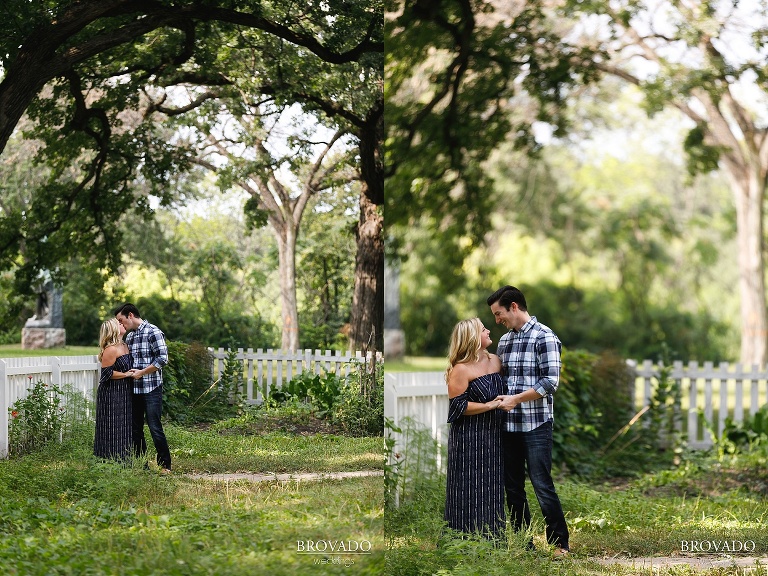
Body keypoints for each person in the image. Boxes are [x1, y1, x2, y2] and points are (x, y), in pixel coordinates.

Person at [487, 285, 570, 557]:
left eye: (499, 314)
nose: (497, 320)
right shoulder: (505, 341)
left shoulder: (544, 337)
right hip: (508, 426)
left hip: (536, 425)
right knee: (512, 488)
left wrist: (515, 399)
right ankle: (525, 544)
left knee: (541, 484)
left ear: (514, 306)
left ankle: (559, 544)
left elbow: (550, 382)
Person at [443, 317, 506, 540]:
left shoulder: (496, 361)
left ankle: (494, 540)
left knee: (492, 488)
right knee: (469, 489)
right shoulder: (461, 369)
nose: (489, 330)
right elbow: (458, 407)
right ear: (472, 337)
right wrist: (489, 405)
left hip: (495, 435)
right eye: (483, 329)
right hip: (470, 438)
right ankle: (463, 540)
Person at [114, 303, 171, 473]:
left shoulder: (153, 331)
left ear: (130, 315)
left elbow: (163, 359)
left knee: (154, 427)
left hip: (151, 388)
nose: (121, 325)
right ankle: (143, 465)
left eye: (121, 320)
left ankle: (165, 466)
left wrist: (142, 372)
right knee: (135, 429)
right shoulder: (130, 337)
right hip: (134, 389)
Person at [94, 318, 133, 462]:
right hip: (111, 392)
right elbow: (106, 374)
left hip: (124, 391)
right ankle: (107, 459)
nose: (122, 324)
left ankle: (124, 459)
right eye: (119, 324)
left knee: (124, 425)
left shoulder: (125, 345)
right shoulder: (111, 349)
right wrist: (126, 374)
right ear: (113, 329)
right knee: (111, 426)